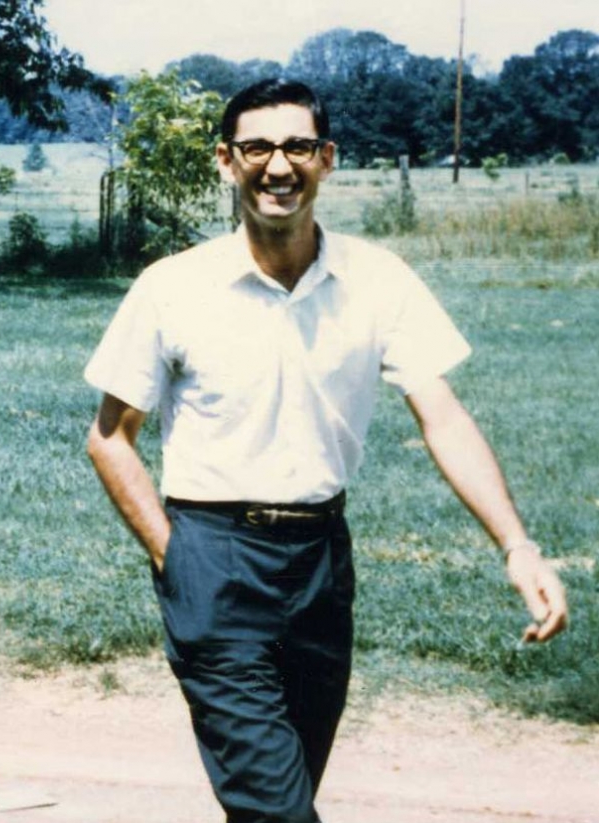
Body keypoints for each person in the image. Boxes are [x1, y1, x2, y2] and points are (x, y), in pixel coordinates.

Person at [84, 79, 568, 823]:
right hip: (214, 557)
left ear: (328, 158)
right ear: (225, 160)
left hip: (320, 564)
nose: (278, 166)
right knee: (280, 811)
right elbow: (110, 439)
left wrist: (517, 545)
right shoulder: (172, 287)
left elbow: (443, 416)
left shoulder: (378, 280)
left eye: (298, 146)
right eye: (257, 148)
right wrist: (175, 555)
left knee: (282, 796)